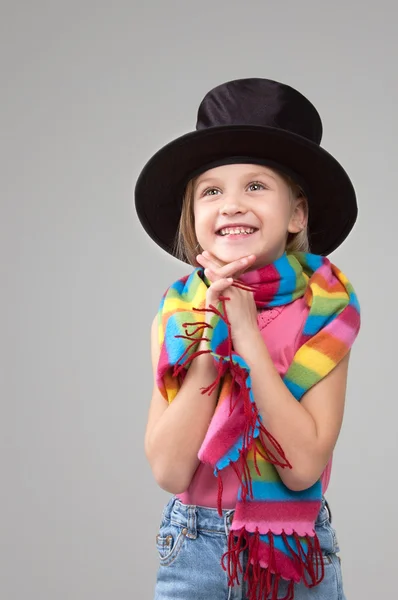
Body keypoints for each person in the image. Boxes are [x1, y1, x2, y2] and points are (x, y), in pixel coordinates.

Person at [135, 78, 361, 600]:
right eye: (212, 191)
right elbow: (170, 470)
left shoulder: (326, 314)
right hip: (192, 549)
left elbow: (303, 465)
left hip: (292, 552)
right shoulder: (178, 317)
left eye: (255, 186)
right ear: (194, 218)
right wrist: (212, 347)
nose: (232, 204)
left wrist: (249, 340)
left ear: (297, 214)